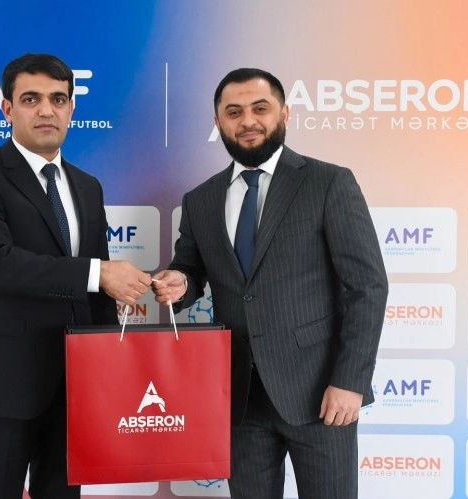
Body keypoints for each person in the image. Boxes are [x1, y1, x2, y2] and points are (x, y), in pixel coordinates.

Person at [151, 68, 388, 499]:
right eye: (233, 112)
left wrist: (350, 381)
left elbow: (367, 287)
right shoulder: (200, 199)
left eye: (260, 108)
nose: (248, 121)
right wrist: (177, 282)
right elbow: (190, 269)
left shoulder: (328, 182)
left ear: (284, 113)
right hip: (239, 398)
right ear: (218, 122)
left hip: (321, 393)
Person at [0, 53, 152, 499]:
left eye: (58, 99)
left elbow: (96, 290)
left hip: (76, 385)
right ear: (7, 109)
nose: (46, 110)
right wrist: (100, 273)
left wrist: (110, 364)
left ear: (71, 108)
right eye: (31, 99)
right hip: (0, 386)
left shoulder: (87, 185)